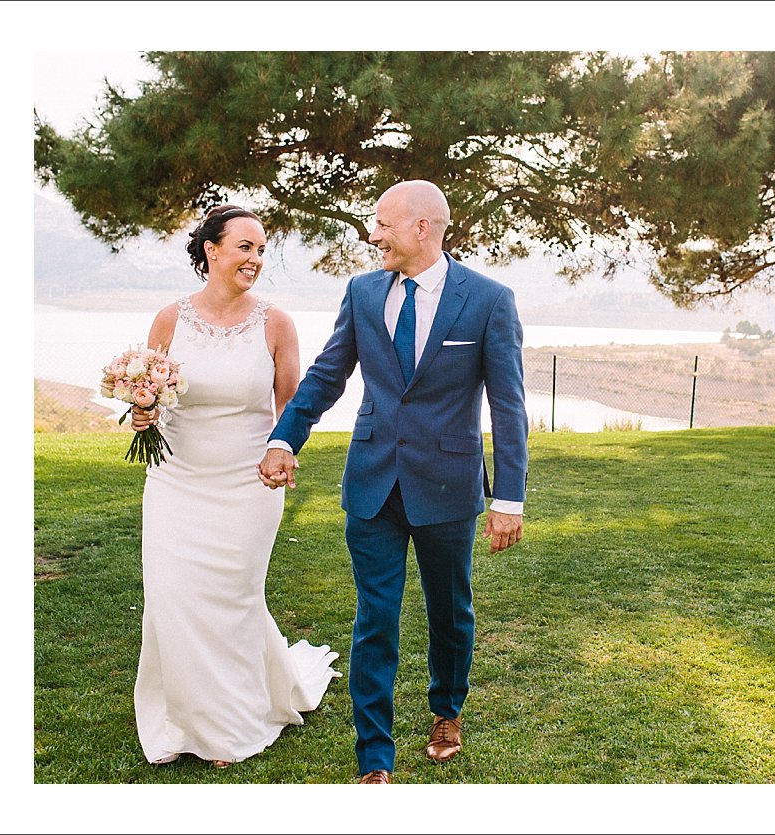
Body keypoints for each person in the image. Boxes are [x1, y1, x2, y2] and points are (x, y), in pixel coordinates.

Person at [257, 180, 528, 785]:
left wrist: (508, 498)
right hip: (373, 482)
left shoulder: (488, 300)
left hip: (449, 485)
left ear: (421, 228)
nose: (372, 234)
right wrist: (283, 437)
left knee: (449, 611)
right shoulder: (360, 292)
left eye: (381, 223)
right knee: (374, 616)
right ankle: (373, 756)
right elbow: (327, 375)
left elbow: (508, 405)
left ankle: (446, 711)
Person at [130, 204, 340, 769]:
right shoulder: (170, 319)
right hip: (176, 480)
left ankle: (231, 724)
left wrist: (285, 451)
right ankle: (182, 720)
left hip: (247, 484)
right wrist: (142, 414)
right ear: (211, 250)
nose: (255, 258)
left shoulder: (276, 323)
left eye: (262, 248)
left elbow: (291, 405)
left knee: (231, 599)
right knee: (172, 597)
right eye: (245, 246)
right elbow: (145, 394)